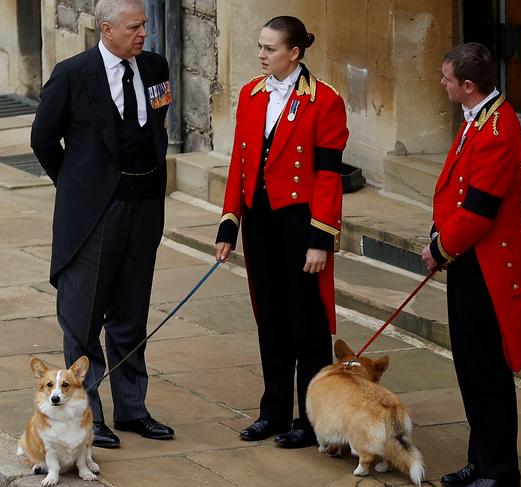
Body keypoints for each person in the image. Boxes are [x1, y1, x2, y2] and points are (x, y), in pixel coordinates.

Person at [31, 0, 175, 448]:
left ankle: (132, 408)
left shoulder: (154, 67)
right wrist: (78, 188)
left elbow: (158, 125)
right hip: (94, 214)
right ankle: (87, 412)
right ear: (106, 29)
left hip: (144, 207)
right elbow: (42, 138)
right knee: (84, 316)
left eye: (145, 25)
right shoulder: (73, 74)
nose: (143, 34)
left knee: (131, 315)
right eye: (135, 27)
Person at [215, 16, 348, 449]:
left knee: (306, 325)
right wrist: (228, 223)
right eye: (259, 46)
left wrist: (321, 239)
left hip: (301, 224)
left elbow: (329, 175)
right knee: (269, 318)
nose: (261, 55)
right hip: (260, 222)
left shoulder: (325, 100)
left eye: (270, 49)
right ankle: (272, 412)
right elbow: (239, 161)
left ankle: (311, 421)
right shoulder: (252, 94)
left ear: (294, 53)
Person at [421, 43, 521, 487]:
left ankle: (501, 470)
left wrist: (438, 248)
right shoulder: (479, 118)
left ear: (468, 86)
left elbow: (480, 210)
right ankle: (480, 458)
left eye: (446, 78)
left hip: (488, 265)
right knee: (469, 367)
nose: (442, 83)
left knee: (487, 371)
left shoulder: (498, 129)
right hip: (469, 261)